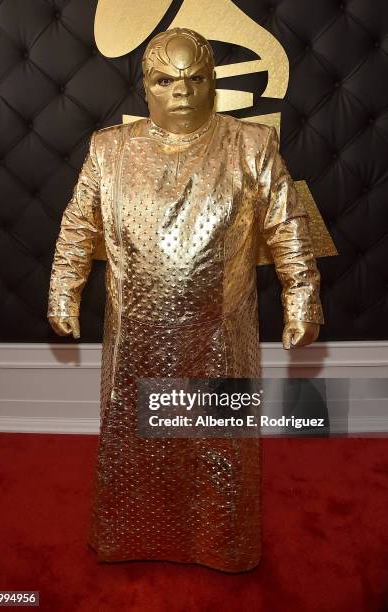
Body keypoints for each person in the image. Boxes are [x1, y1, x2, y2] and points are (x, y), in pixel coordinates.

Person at [48, 27, 323, 572]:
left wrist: (303, 299)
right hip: (135, 337)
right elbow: (79, 225)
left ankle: (221, 544)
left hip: (221, 333)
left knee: (217, 442)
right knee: (133, 440)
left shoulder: (251, 146)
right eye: (166, 80)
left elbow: (288, 227)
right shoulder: (109, 150)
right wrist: (63, 290)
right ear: (144, 88)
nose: (182, 91)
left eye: (196, 79)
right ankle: (128, 537)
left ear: (214, 85)